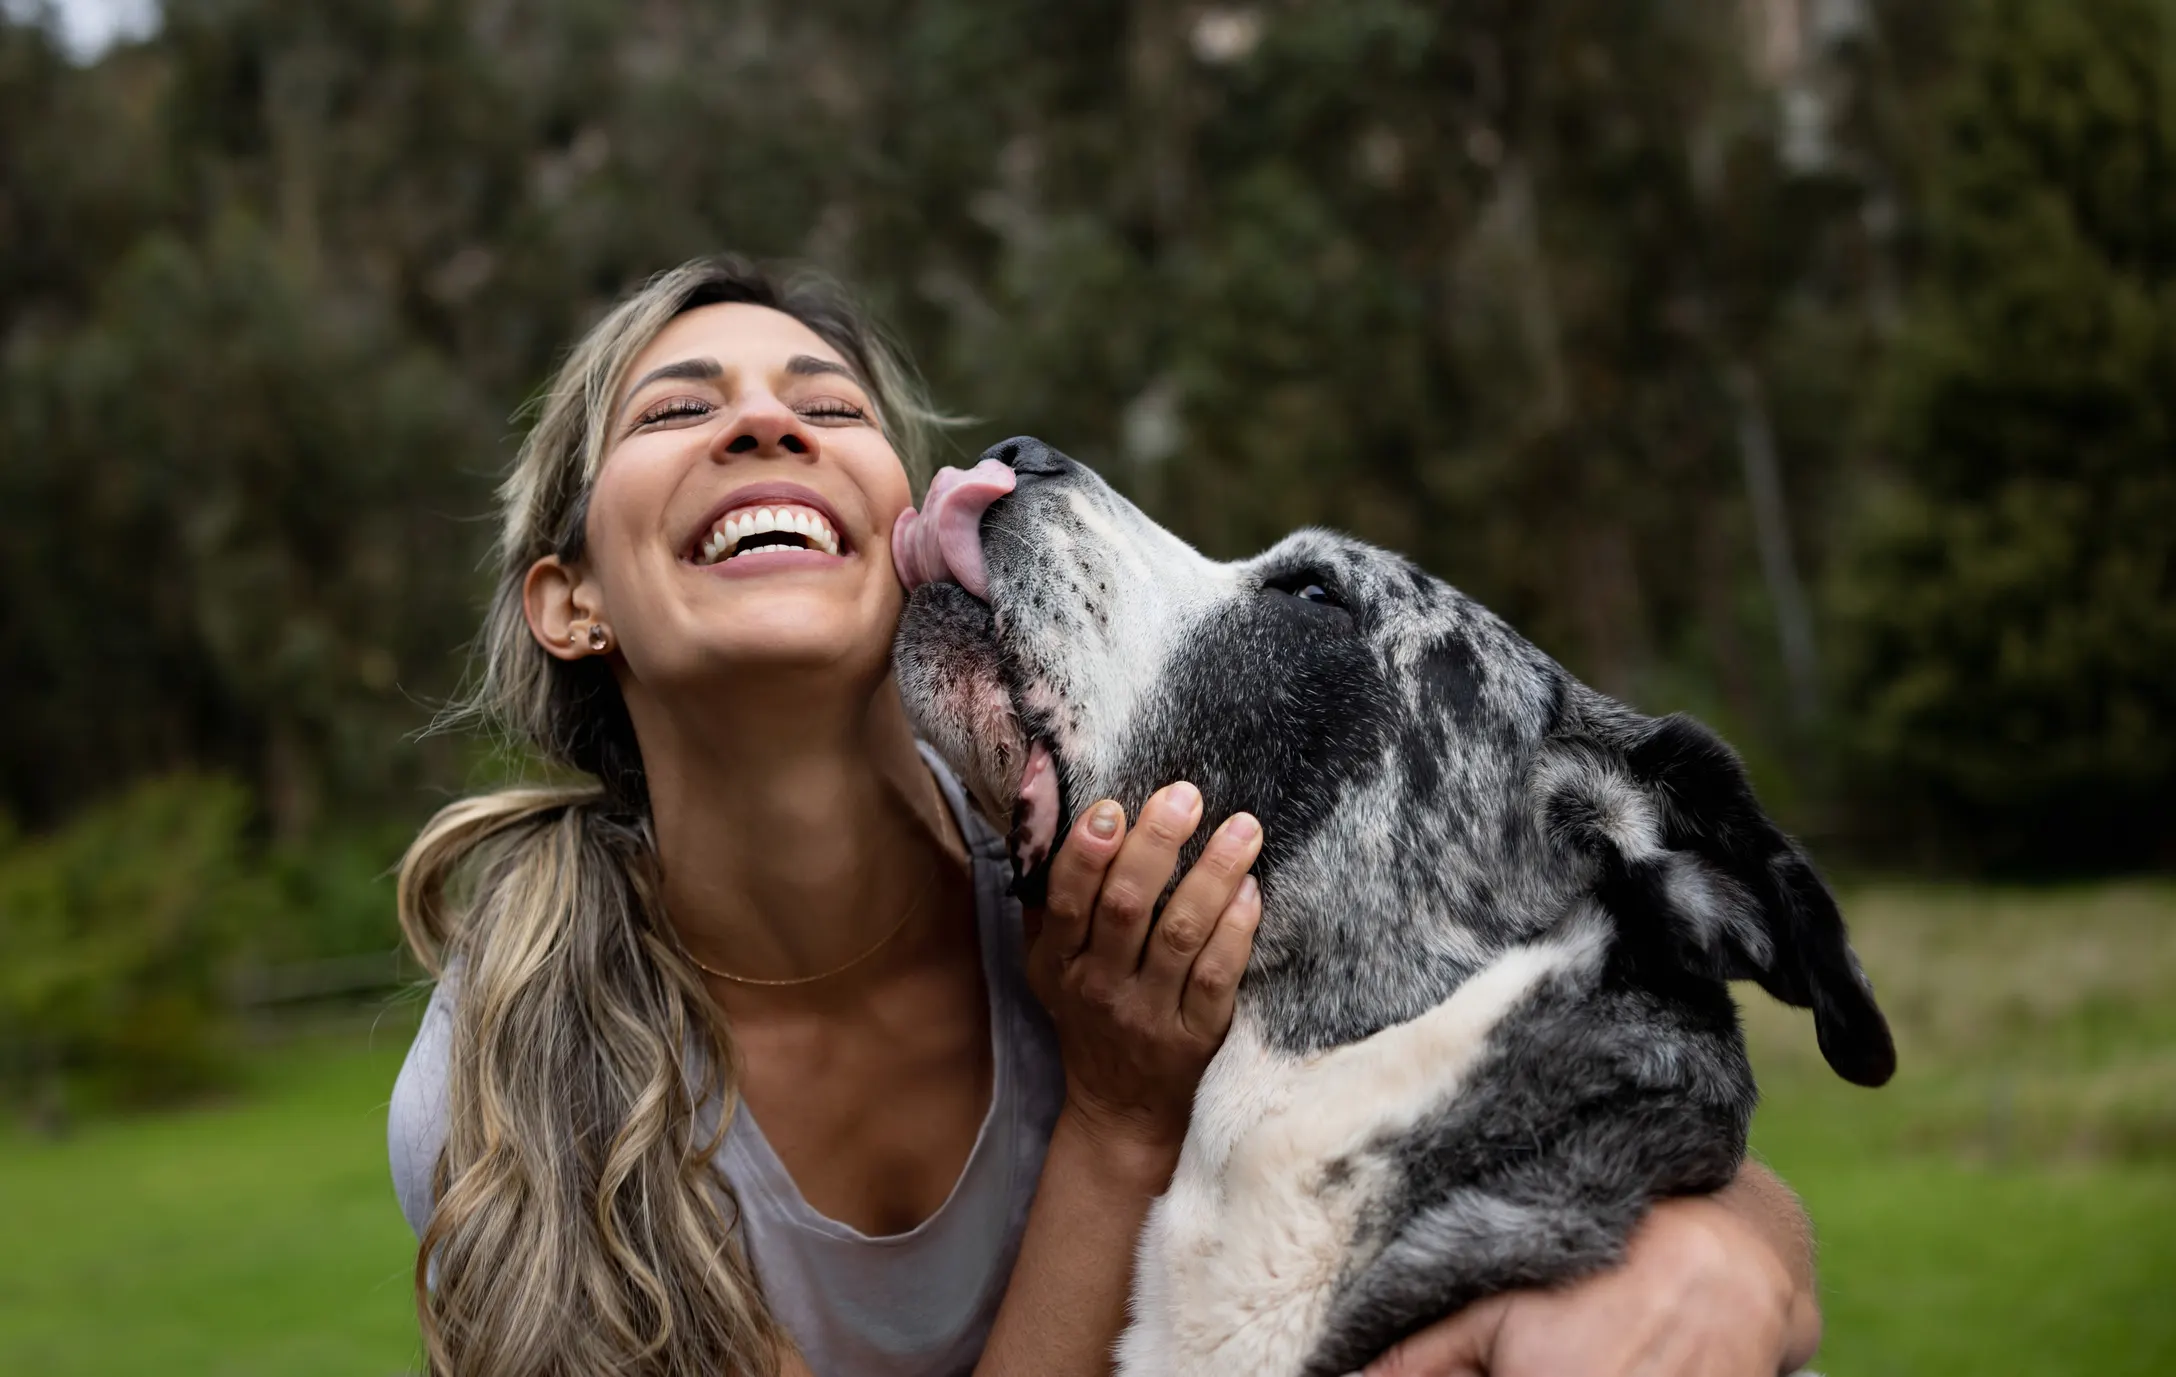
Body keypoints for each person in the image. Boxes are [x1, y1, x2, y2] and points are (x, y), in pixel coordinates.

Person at [388, 255, 1825, 1377]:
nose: (766, 421)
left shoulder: (1147, 861)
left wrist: (1721, 1257)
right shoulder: (513, 1086)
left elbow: (1571, 1087)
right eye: (677, 408)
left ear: (907, 530)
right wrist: (1121, 1114)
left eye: (830, 408)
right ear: (568, 600)